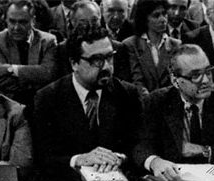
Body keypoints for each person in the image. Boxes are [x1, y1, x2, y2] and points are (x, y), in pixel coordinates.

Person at [33, 23, 142, 172]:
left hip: (116, 178)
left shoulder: (127, 94)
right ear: (74, 64)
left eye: (109, 57)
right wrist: (78, 160)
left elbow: (138, 145)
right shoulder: (48, 98)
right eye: (96, 60)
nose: (106, 67)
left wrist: (120, 158)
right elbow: (42, 157)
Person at [133, 43, 214, 179]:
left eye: (208, 72)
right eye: (196, 75)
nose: (206, 80)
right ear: (175, 80)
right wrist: (155, 162)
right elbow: (141, 146)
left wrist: (205, 151)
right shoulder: (156, 102)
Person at [0, 0, 58, 107]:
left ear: (33, 21)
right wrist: (34, 78)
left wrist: (12, 69)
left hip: (41, 104)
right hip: (8, 105)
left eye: (23, 22)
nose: (16, 28)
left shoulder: (48, 41)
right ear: (5, 20)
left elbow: (47, 73)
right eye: (12, 21)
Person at [123, 0, 182, 95]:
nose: (163, 19)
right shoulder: (131, 44)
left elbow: (178, 79)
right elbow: (137, 80)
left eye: (164, 14)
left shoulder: (176, 45)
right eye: (156, 16)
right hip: (143, 100)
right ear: (144, 19)